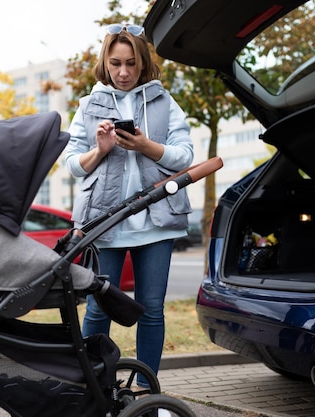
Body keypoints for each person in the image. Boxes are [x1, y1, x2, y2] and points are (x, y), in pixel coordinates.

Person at [64, 23, 194, 381]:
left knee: (151, 310)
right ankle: (95, 389)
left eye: (131, 64)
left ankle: (147, 391)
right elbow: (73, 163)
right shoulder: (89, 105)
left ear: (142, 64)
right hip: (105, 225)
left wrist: (145, 146)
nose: (123, 72)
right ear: (105, 62)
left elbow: (184, 156)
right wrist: (100, 150)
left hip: (156, 223)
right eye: (116, 63)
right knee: (97, 310)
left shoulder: (164, 102)